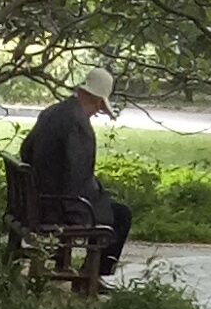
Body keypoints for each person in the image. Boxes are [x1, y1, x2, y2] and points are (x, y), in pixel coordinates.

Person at [22, 65, 133, 278]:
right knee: (121, 215)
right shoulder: (78, 125)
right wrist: (99, 195)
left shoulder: (52, 112)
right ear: (99, 102)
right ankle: (94, 277)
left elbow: (26, 150)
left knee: (108, 206)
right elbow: (78, 178)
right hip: (57, 207)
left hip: (35, 201)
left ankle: (88, 274)